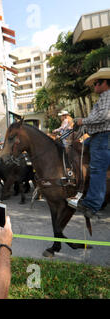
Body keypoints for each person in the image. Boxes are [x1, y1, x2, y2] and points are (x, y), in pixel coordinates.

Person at [67, 67, 110, 218]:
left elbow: (105, 116)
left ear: (105, 83)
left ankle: (91, 205)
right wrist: (80, 130)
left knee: (97, 169)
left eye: (97, 83)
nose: (95, 86)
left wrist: (82, 120)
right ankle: (80, 190)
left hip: (103, 137)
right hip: (96, 137)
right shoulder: (103, 97)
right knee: (76, 152)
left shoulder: (107, 95)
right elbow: (95, 121)